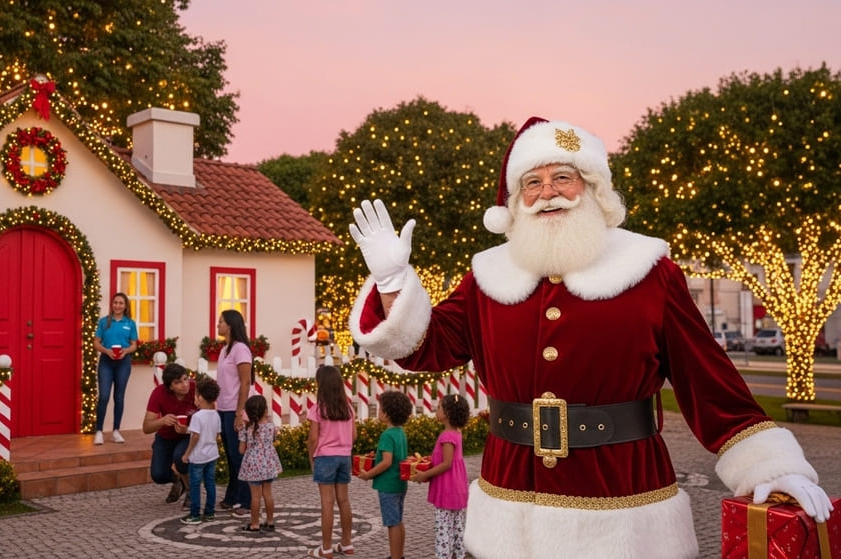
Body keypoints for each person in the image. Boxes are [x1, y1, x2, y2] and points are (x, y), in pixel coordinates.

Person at [347, 117, 833, 559]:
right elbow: (425, 346)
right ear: (516, 202)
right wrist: (392, 282)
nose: (548, 192)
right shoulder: (486, 277)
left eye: (563, 177)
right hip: (510, 509)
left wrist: (769, 468)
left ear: (592, 188)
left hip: (624, 505)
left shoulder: (649, 270)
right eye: (532, 183)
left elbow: (707, 379)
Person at [410, 394, 470, 559]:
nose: (435, 411)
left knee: (444, 528)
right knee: (457, 527)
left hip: (446, 489)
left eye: (439, 408)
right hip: (457, 487)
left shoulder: (447, 436)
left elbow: (446, 463)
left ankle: (444, 555)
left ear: (448, 413)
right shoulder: (457, 432)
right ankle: (458, 555)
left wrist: (424, 474)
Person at [305, 365, 357, 558]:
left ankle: (326, 548)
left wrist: (312, 458)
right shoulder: (348, 408)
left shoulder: (317, 409)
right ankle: (347, 543)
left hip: (325, 457)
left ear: (321, 385)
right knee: (344, 500)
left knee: (327, 502)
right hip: (344, 457)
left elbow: (312, 439)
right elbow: (354, 435)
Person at [357, 390, 412, 559]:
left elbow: (386, 462)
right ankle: (399, 555)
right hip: (399, 484)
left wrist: (368, 474)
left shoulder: (387, 435)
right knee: (398, 521)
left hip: (388, 485)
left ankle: (395, 557)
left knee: (391, 523)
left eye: (380, 409)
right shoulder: (400, 432)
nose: (378, 411)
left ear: (388, 414)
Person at [214, 309, 253, 515]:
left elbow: (245, 382)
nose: (218, 325)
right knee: (230, 455)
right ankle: (232, 496)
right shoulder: (224, 350)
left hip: (235, 410)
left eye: (221, 322)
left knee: (239, 455)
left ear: (230, 325)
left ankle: (247, 501)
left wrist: (240, 412)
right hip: (223, 408)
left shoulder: (240, 350)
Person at [142, 363, 196, 507]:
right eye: (178, 382)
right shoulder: (159, 393)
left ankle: (191, 491)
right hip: (165, 437)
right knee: (158, 475)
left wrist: (188, 429)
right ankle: (177, 480)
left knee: (181, 458)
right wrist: (162, 421)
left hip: (187, 435)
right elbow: (146, 427)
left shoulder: (195, 390)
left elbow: (209, 416)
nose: (185, 385)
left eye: (186, 379)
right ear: (170, 387)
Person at [93, 293, 138, 445]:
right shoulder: (104, 322)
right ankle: (99, 431)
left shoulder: (130, 323)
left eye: (121, 303)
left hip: (123, 363)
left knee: (119, 397)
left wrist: (126, 351)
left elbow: (134, 345)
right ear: (112, 304)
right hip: (106, 362)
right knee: (104, 396)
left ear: (125, 306)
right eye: (115, 303)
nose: (117, 306)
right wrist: (106, 351)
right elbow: (96, 343)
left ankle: (116, 431)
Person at [237, 394, 282, 532]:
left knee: (255, 496)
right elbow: (274, 439)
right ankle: (270, 521)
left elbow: (241, 449)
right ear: (265, 410)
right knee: (268, 494)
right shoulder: (270, 426)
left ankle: (255, 523)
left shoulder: (246, 429)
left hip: (253, 465)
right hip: (268, 463)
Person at [180, 375, 221, 524]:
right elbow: (216, 434)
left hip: (198, 457)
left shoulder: (197, 416)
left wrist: (187, 453)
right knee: (210, 483)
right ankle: (210, 512)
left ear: (201, 397)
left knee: (195, 485)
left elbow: (195, 436)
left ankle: (195, 514)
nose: (194, 399)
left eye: (196, 396)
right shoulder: (216, 415)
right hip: (212, 455)